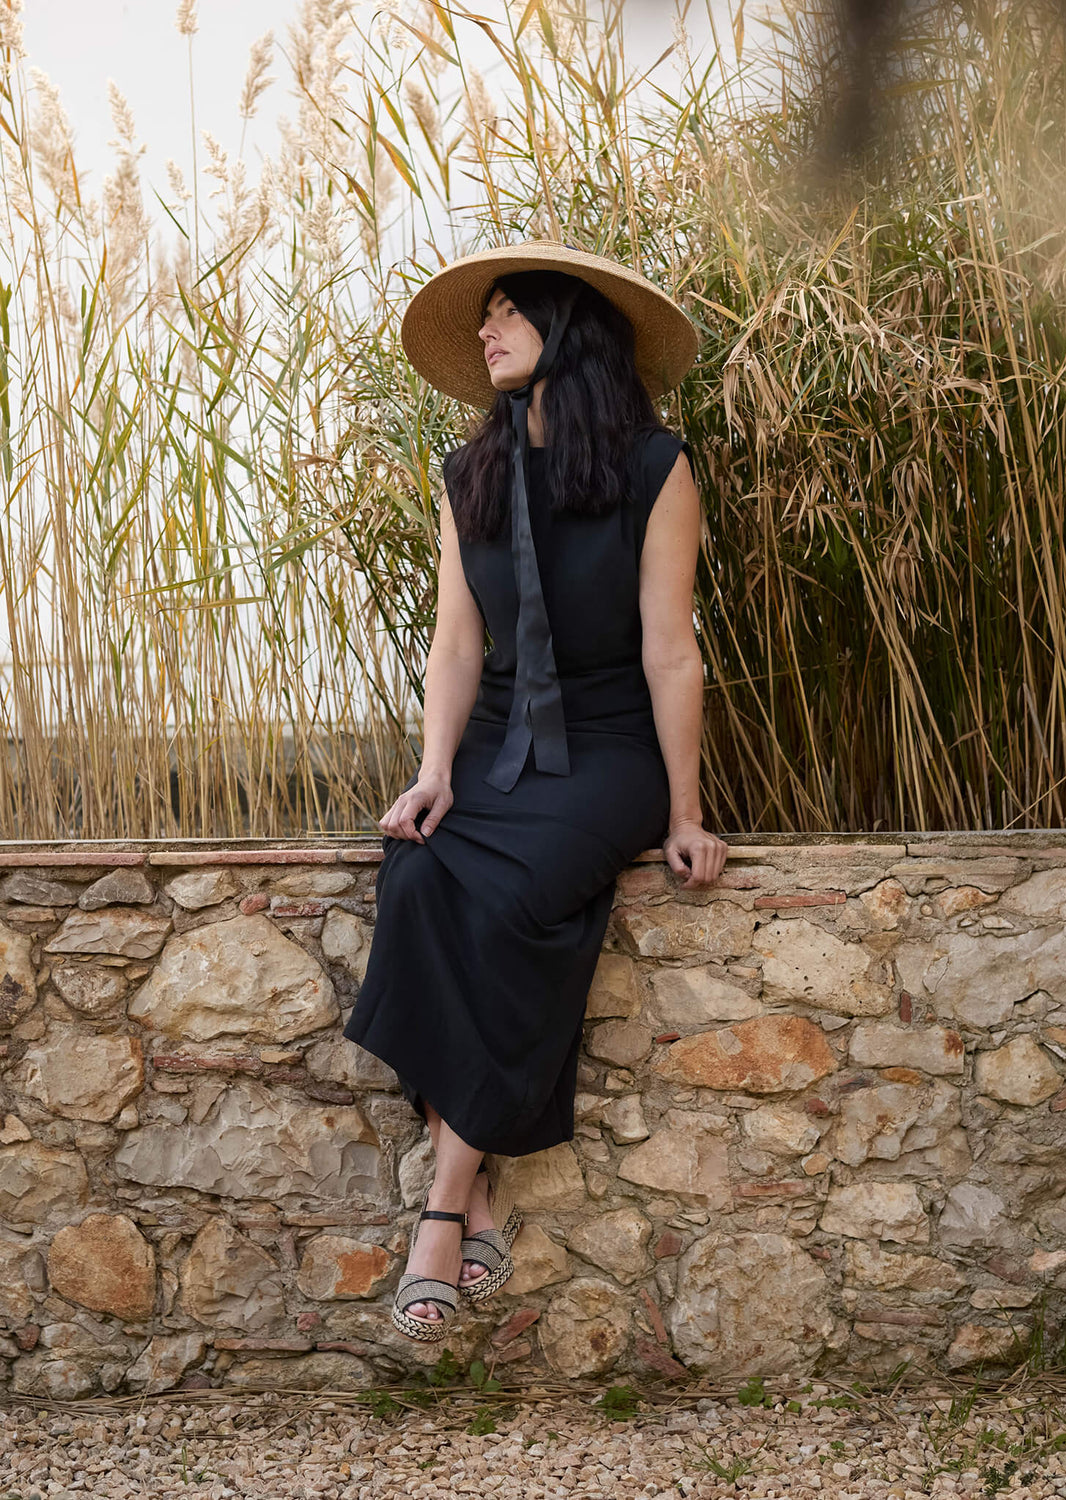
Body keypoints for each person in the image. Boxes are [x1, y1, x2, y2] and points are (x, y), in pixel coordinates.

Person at [343, 242, 728, 1342]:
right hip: (495, 742)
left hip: (608, 750)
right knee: (418, 878)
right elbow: (456, 647)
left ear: (568, 329)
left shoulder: (656, 467)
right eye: (486, 316)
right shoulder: (467, 473)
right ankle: (477, 1199)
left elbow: (670, 651)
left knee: (512, 901)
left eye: (508, 312)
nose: (485, 330)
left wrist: (685, 812)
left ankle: (440, 1207)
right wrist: (433, 773)